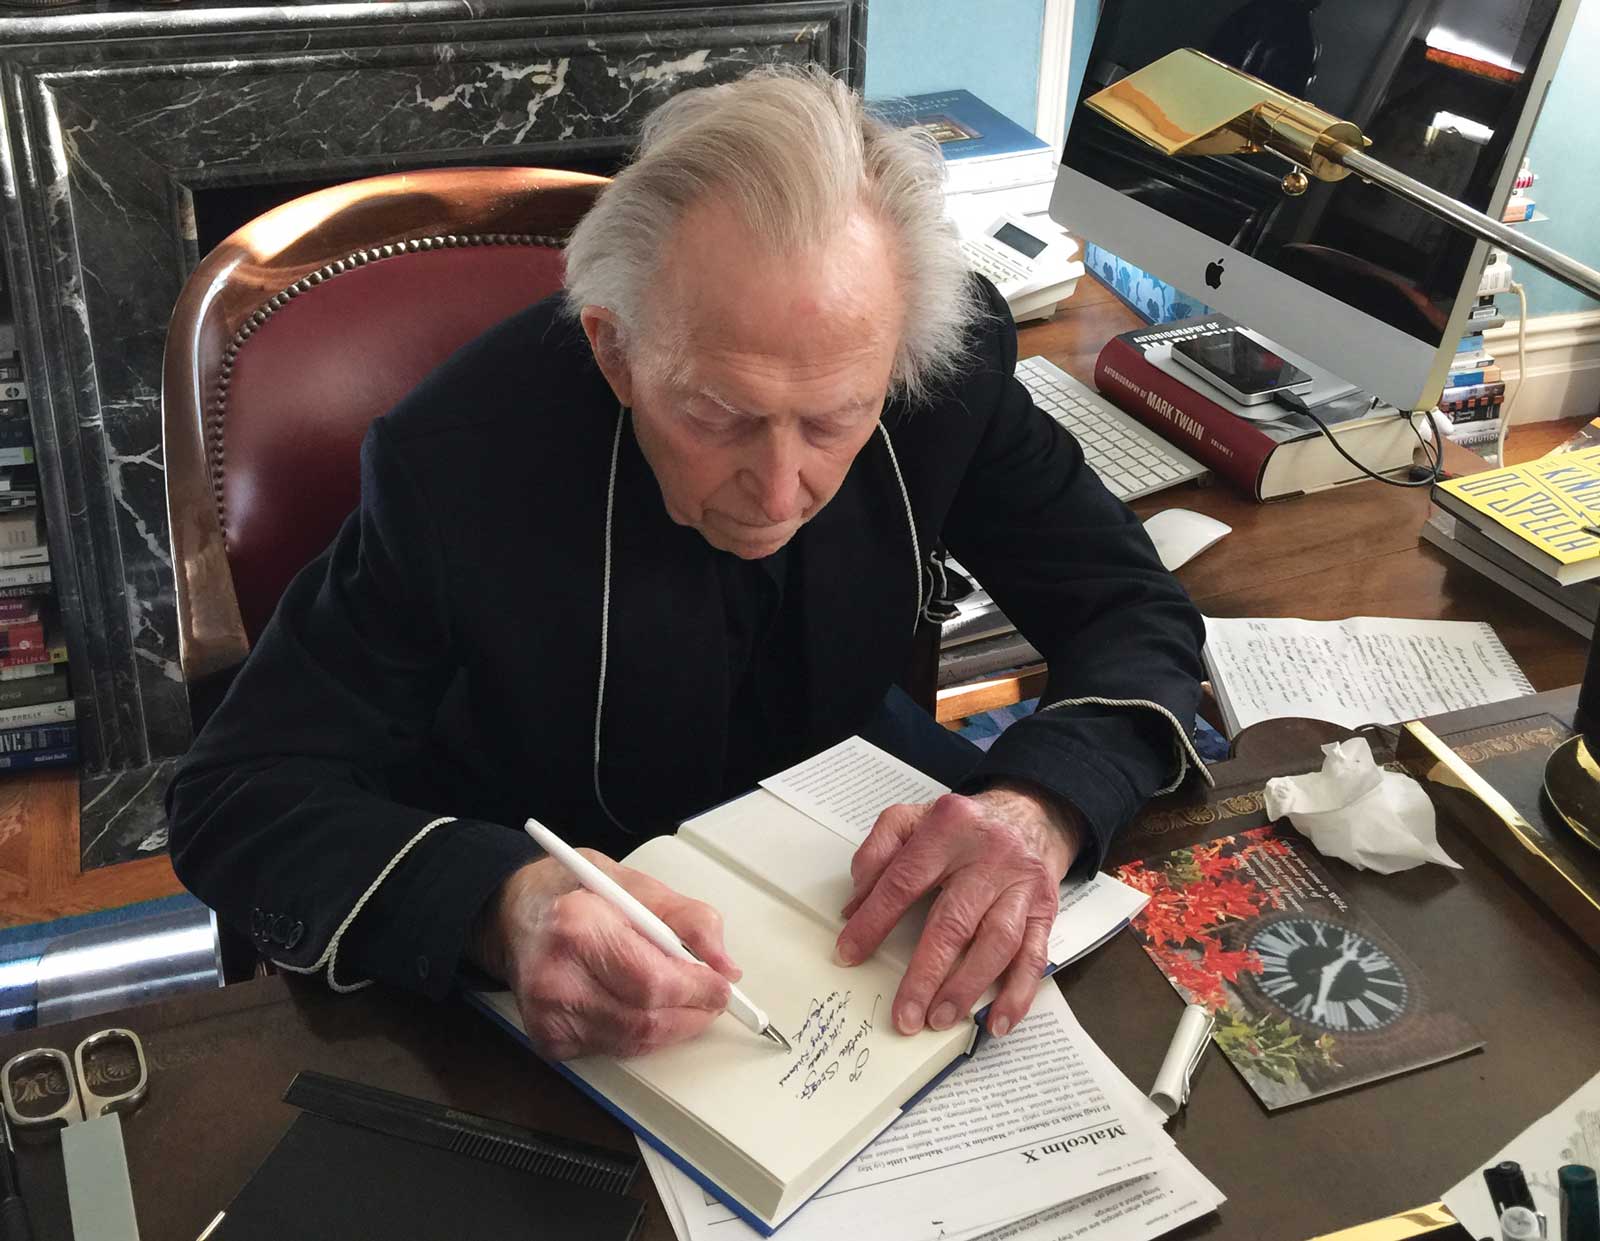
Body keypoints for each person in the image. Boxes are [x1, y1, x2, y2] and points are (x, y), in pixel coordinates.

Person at [167, 66, 1206, 1063]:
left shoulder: (943, 365)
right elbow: (235, 794)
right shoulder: (457, 463)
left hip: (840, 831)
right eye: (718, 413)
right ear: (615, 351)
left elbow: (1127, 603)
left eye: (835, 419)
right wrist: (500, 905)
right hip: (564, 879)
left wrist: (1040, 803)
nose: (780, 490)